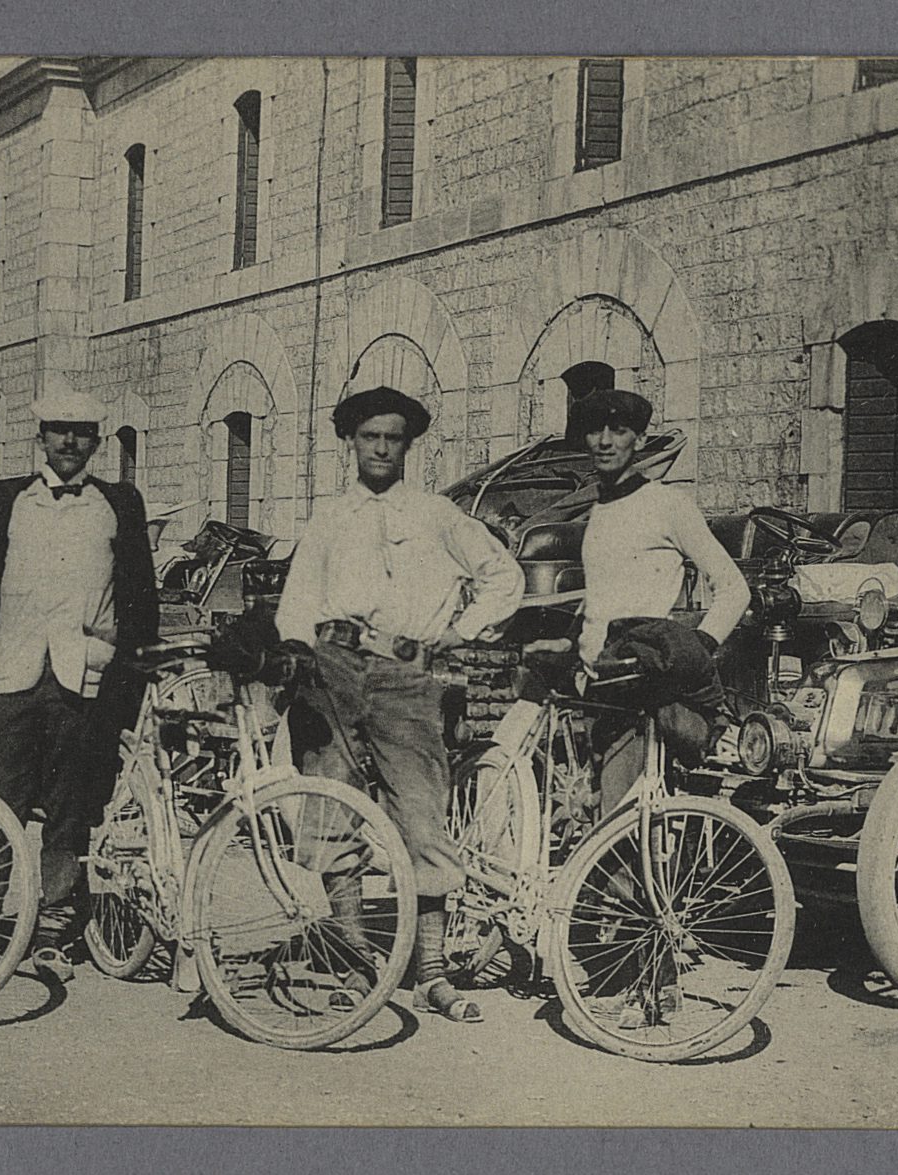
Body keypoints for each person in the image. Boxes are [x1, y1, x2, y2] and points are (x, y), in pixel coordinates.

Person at [275, 386, 528, 1025]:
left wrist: (460, 631)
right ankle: (360, 964)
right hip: (331, 669)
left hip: (405, 677)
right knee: (333, 809)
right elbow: (298, 603)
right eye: (370, 437)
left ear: (409, 445)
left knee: (421, 816)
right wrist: (295, 658)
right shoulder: (329, 517)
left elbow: (504, 576)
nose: (382, 448)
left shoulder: (438, 515)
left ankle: (432, 974)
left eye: (393, 437)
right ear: (351, 442)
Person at [0, 386, 159, 984]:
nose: (70, 441)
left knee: (72, 808)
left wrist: (126, 668)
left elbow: (139, 599)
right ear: (41, 437)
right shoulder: (7, 501)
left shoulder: (118, 505)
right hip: (10, 672)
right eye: (59, 429)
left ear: (97, 442)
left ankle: (53, 928)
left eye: (82, 432)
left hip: (84, 674)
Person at [567, 388, 750, 817]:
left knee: (617, 827)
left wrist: (696, 648)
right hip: (596, 688)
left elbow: (734, 587)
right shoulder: (596, 509)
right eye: (595, 430)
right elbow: (602, 597)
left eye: (620, 430)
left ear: (641, 441)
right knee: (591, 819)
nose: (606, 441)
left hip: (639, 688)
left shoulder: (666, 504)